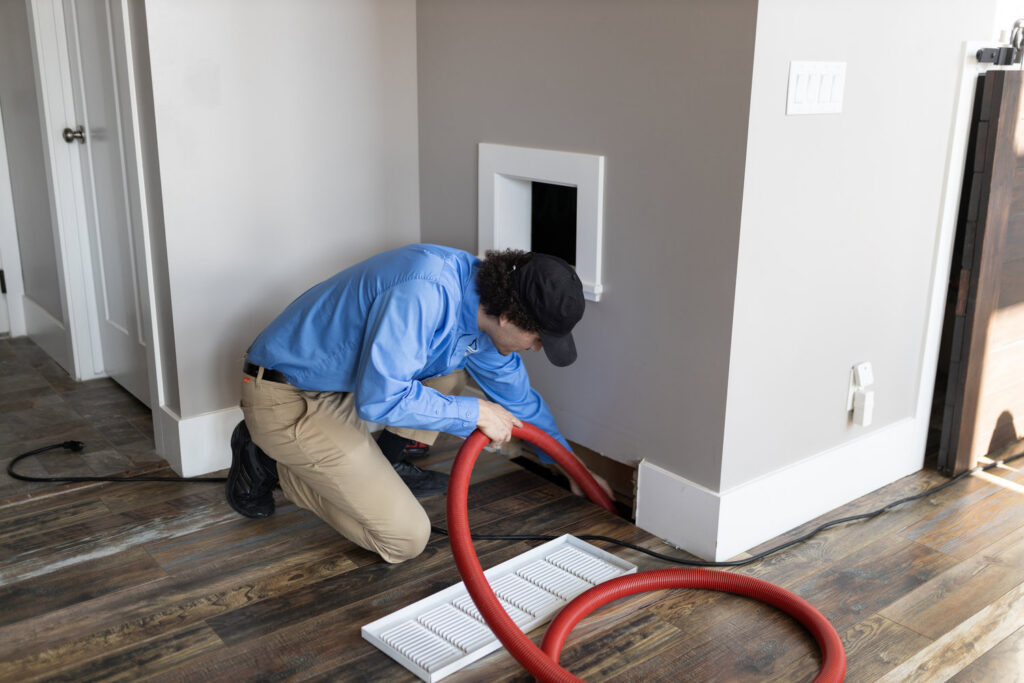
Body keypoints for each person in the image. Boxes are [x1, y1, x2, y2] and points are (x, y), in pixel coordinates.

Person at [226, 243, 612, 564]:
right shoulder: (425, 292)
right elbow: (381, 399)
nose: (538, 348)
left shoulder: (483, 306)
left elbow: (519, 400)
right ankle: (272, 461)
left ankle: (385, 462)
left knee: (451, 374)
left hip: (341, 386)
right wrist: (474, 412)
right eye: (539, 338)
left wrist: (572, 468)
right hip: (287, 394)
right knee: (405, 538)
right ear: (510, 318)